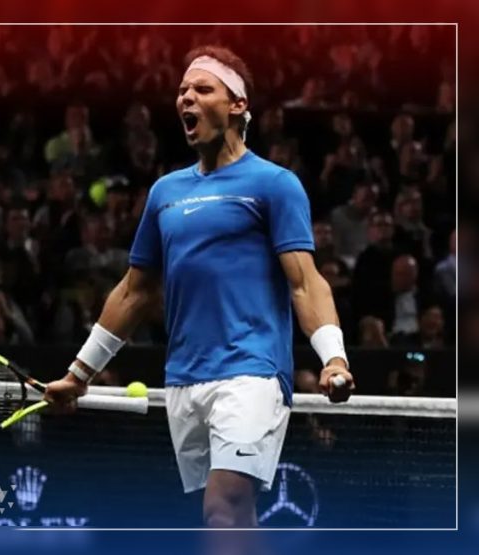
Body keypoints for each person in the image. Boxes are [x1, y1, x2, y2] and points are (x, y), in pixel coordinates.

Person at [43, 46, 354, 528]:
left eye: (202, 89)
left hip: (252, 371)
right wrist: (79, 373)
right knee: (234, 516)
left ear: (237, 105)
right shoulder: (164, 193)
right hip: (184, 378)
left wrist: (334, 358)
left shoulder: (274, 184)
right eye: (182, 90)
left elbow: (305, 282)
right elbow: (134, 292)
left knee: (223, 505)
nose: (186, 97)